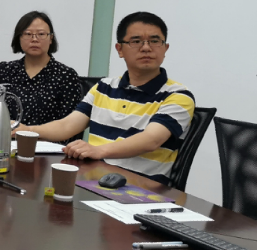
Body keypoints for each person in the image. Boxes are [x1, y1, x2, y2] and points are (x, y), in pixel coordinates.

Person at [16, 12, 194, 184]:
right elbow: (67, 126)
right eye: (136, 41)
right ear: (120, 49)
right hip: (93, 182)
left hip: (140, 191)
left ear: (165, 48)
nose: (146, 48)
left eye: (155, 41)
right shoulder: (104, 87)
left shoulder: (178, 96)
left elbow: (151, 140)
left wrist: (98, 151)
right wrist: (27, 129)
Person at [0, 12, 83, 129]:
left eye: (41, 34)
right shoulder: (6, 70)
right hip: (7, 137)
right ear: (19, 38)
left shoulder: (66, 76)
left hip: (48, 139)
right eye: (28, 34)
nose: (34, 39)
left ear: (51, 38)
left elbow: (71, 126)